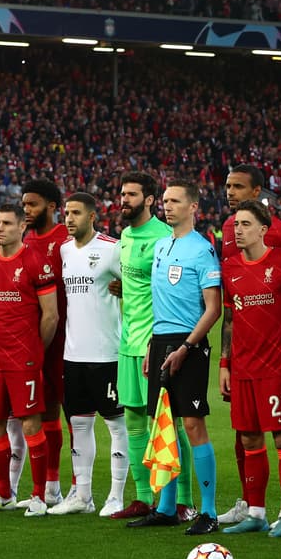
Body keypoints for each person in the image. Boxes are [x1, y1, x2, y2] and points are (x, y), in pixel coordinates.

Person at [127, 180, 223, 535]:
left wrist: (186, 347)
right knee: (161, 424)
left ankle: (209, 512)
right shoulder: (162, 247)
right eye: (165, 201)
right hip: (161, 341)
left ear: (193, 207)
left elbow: (214, 308)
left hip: (190, 344)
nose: (167, 206)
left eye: (175, 201)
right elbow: (160, 306)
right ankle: (166, 508)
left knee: (193, 424)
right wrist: (154, 345)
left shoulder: (202, 250)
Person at [215, 165, 281, 528]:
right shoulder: (230, 268)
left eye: (246, 225)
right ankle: (255, 513)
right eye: (236, 225)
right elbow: (230, 319)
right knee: (249, 436)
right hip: (243, 366)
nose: (238, 230)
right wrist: (224, 363)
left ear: (264, 229)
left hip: (276, 365)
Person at [109, 172, 196, 521]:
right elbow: (131, 283)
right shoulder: (127, 236)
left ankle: (183, 500)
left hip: (155, 344)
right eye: (121, 193)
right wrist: (121, 287)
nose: (123, 199)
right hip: (127, 342)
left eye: (131, 194)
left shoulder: (164, 237)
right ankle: (144, 498)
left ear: (149, 200)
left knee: (169, 423)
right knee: (132, 420)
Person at [0, 203, 59, 515]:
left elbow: (51, 316)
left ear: (22, 227)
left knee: (31, 422)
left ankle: (38, 496)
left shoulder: (36, 262)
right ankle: (2, 493)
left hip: (24, 358)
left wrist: (34, 350)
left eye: (6, 223)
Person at [52, 192, 129, 517]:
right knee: (79, 425)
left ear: (92, 217)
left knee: (116, 426)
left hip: (108, 353)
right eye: (67, 213)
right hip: (74, 354)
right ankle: (82, 495)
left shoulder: (112, 249)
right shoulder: (64, 250)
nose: (69, 219)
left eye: (76, 213)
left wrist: (124, 288)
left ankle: (116, 495)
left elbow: (138, 287)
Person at [21, 179, 70, 506]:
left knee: (75, 414)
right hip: (38, 339)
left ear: (52, 207)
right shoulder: (26, 238)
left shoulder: (65, 237)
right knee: (47, 410)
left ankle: (81, 488)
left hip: (69, 337)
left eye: (33, 204)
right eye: (24, 204)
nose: (26, 210)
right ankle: (51, 485)